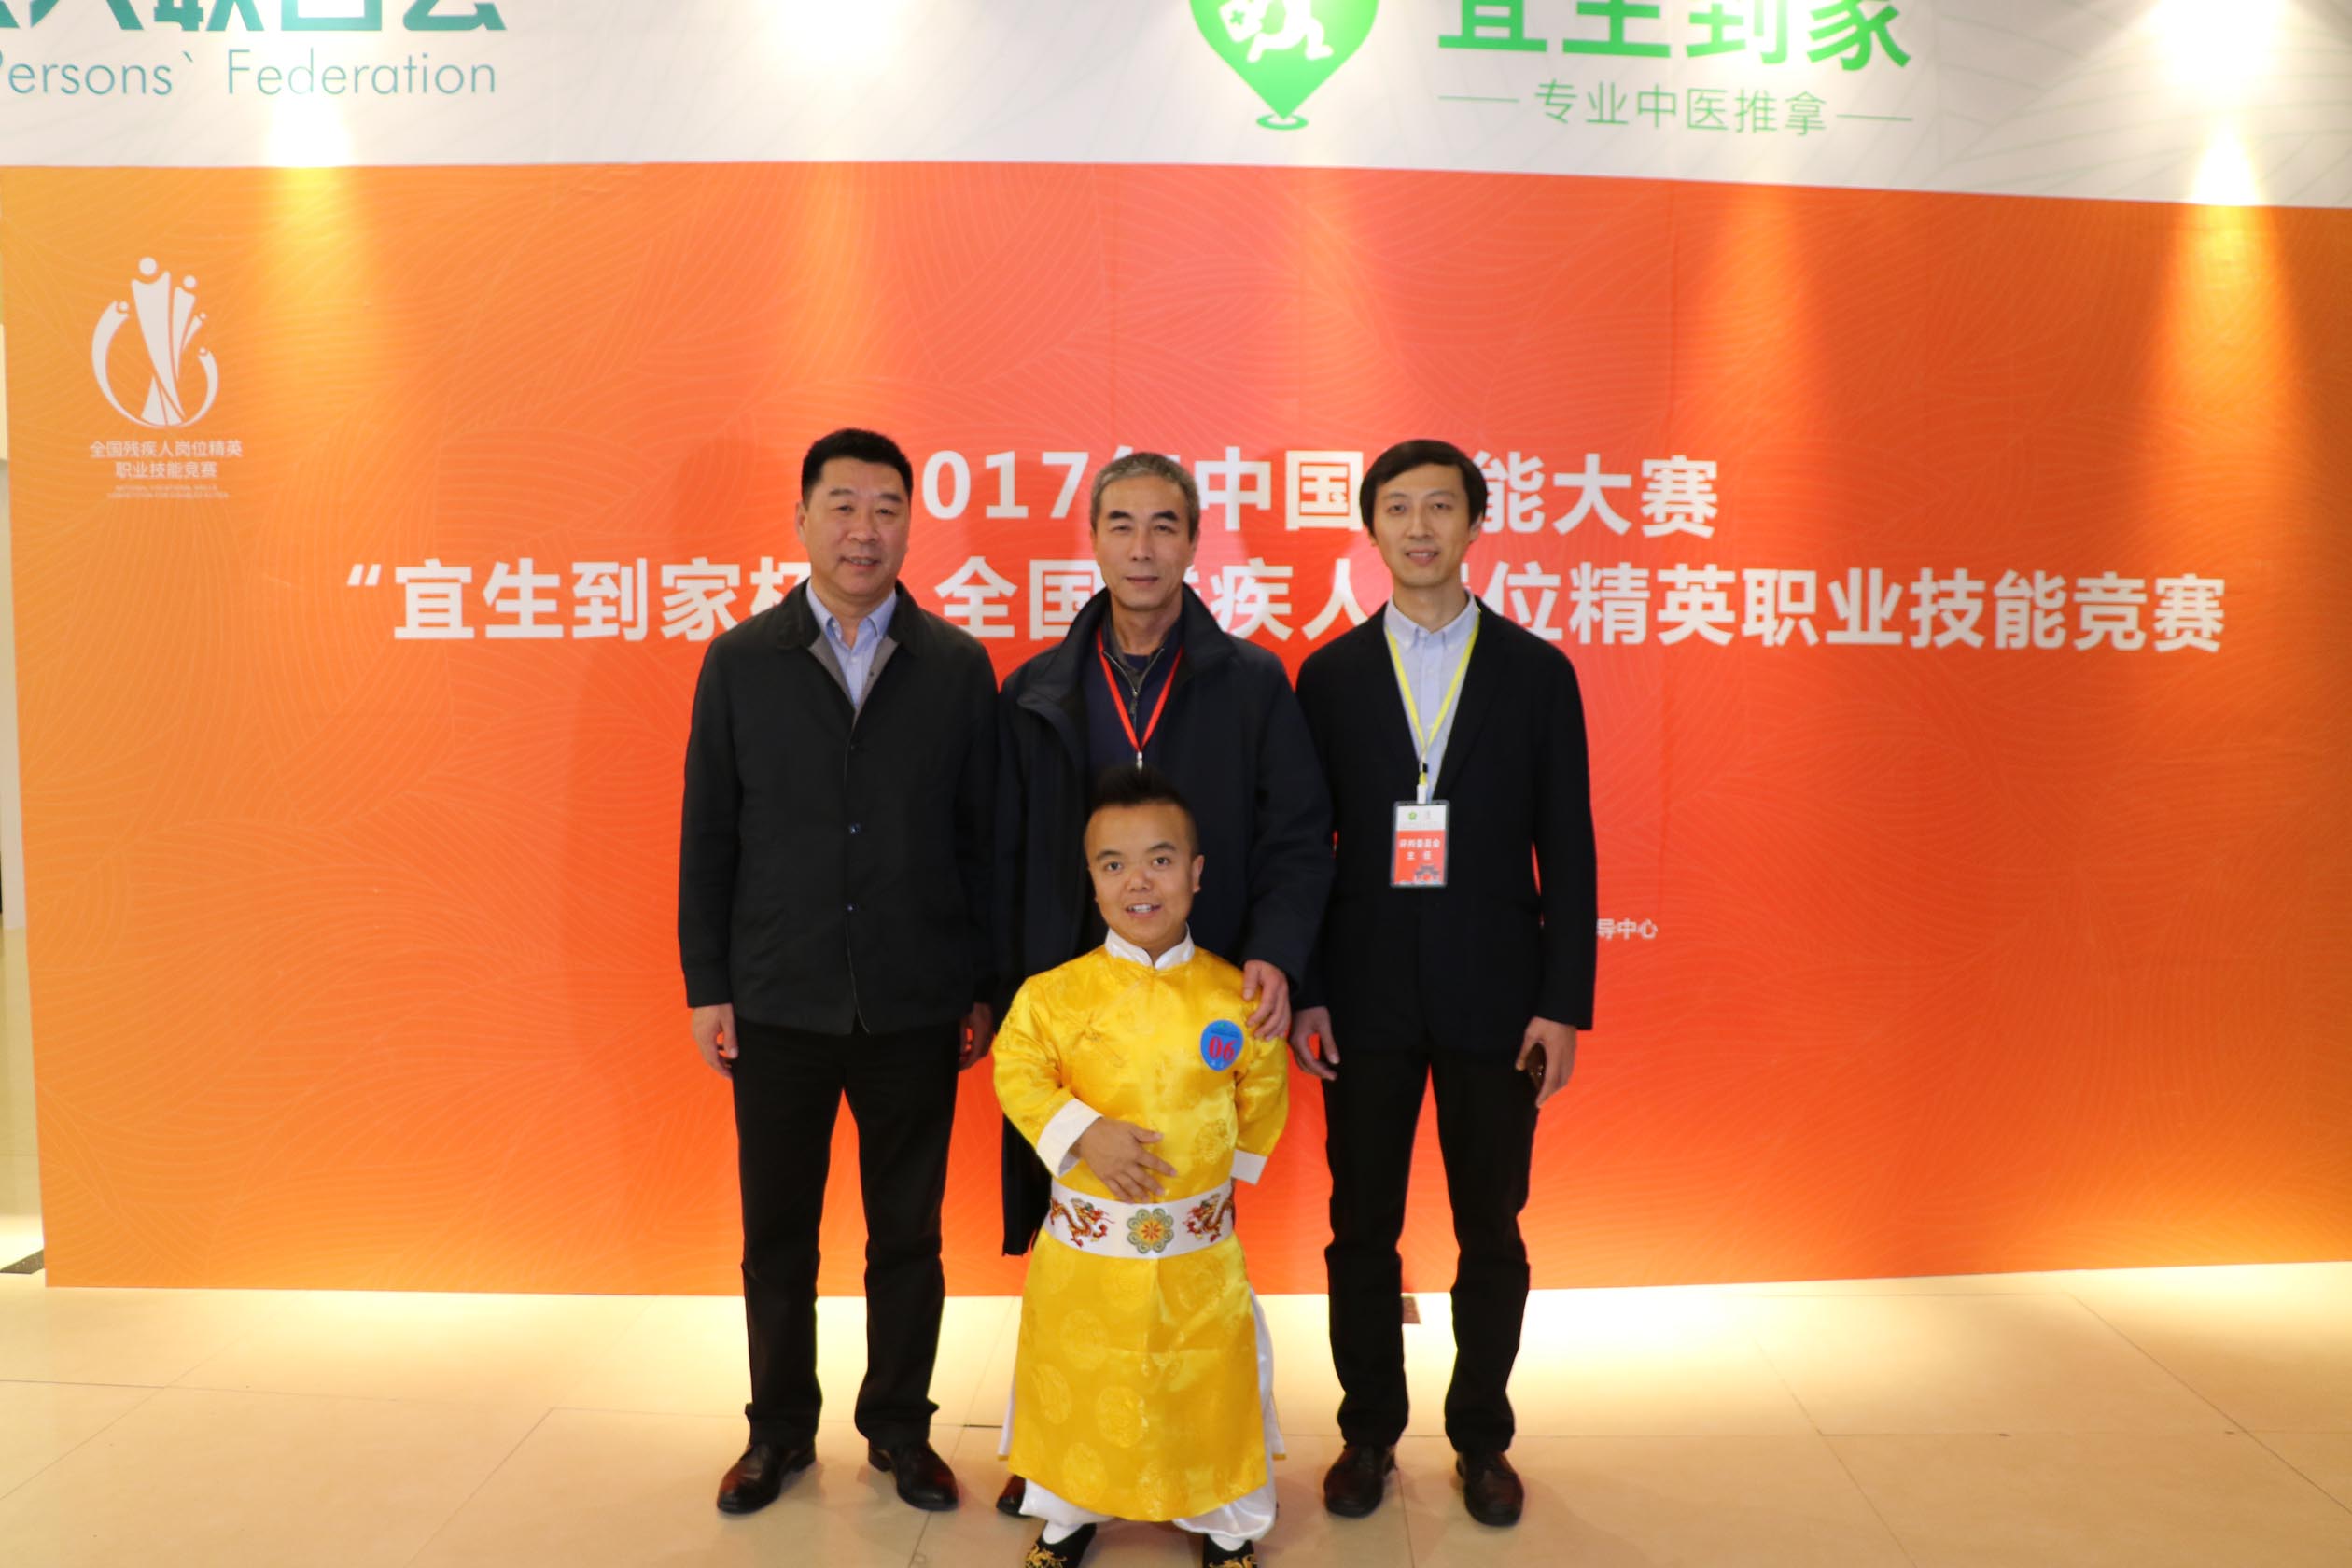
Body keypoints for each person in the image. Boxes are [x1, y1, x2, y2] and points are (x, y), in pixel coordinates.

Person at [992, 450, 1331, 1515]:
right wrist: (1002, 987)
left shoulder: (1251, 683)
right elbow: (1000, 849)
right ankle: (1066, 1461)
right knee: (1076, 1247)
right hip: (1078, 1000)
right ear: (1092, 538)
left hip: (1205, 997)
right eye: (1121, 525)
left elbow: (1297, 835)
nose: (1142, 549)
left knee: (1192, 1261)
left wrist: (1275, 950)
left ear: (1193, 539)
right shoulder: (1036, 689)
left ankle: (1203, 1474)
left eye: (1165, 526)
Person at [678, 427, 998, 1517]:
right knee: (778, 1237)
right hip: (780, 996)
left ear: (911, 523)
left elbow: (980, 839)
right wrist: (708, 984)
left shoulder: (954, 666)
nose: (865, 530)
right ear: (803, 519)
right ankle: (777, 1432)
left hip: (915, 999)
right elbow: (709, 833)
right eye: (844, 506)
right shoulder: (740, 661)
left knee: (908, 1234)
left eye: (887, 509)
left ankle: (901, 1430)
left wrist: (981, 984)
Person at [1292, 439, 1598, 1529]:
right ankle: (1368, 1432)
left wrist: (1563, 1003)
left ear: (1476, 524)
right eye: (1397, 508)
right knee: (1360, 1228)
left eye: (1440, 507)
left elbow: (1569, 846)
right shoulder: (1328, 675)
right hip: (1363, 999)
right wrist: (1310, 987)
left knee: (1492, 1230)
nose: (1419, 528)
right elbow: (1305, 846)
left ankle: (1481, 1438)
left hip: (1496, 999)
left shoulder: (1537, 672)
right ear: (1370, 527)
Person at [992, 765, 1288, 1568]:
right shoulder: (1051, 997)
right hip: (1086, 1256)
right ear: (1091, 880)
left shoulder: (1237, 996)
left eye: (1160, 860)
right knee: (1082, 1379)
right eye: (1113, 864)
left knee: (1206, 1385)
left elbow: (1263, 1091)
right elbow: (1017, 1072)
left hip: (1198, 1254)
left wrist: (1224, 1179)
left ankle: (1225, 1521)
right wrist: (1084, 1133)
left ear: (1196, 872)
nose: (1138, 882)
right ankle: (1068, 1511)